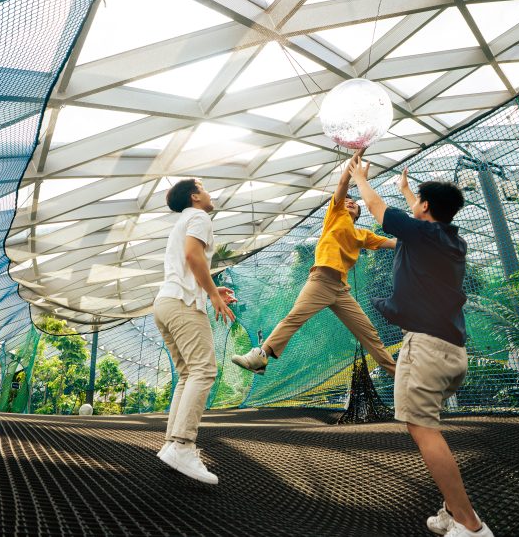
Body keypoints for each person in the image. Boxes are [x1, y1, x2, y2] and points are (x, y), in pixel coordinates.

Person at [350, 156, 494, 537]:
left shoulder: (422, 234)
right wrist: (407, 191)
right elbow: (421, 214)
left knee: (423, 429)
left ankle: (470, 525)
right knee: (426, 425)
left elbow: (378, 209)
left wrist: (359, 178)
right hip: (453, 351)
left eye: (418, 201)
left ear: (426, 207)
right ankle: (452, 510)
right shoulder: (451, 240)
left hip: (426, 348)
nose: (414, 205)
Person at [231, 149, 397, 377]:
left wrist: (419, 238)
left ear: (358, 214)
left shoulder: (363, 235)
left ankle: (398, 375)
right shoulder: (335, 215)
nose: (350, 202)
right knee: (294, 318)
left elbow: (393, 243)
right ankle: (260, 357)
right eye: (347, 200)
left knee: (369, 333)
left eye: (355, 203)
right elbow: (343, 183)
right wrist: (357, 158)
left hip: (341, 290)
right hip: (320, 281)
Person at [154, 178, 237, 485]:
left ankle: (171, 444)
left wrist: (212, 289)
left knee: (188, 374)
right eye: (203, 187)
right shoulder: (199, 217)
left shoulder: (184, 221)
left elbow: (188, 262)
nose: (209, 192)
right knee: (203, 370)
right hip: (183, 303)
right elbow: (192, 255)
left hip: (165, 302)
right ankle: (183, 445)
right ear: (194, 196)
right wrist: (213, 295)